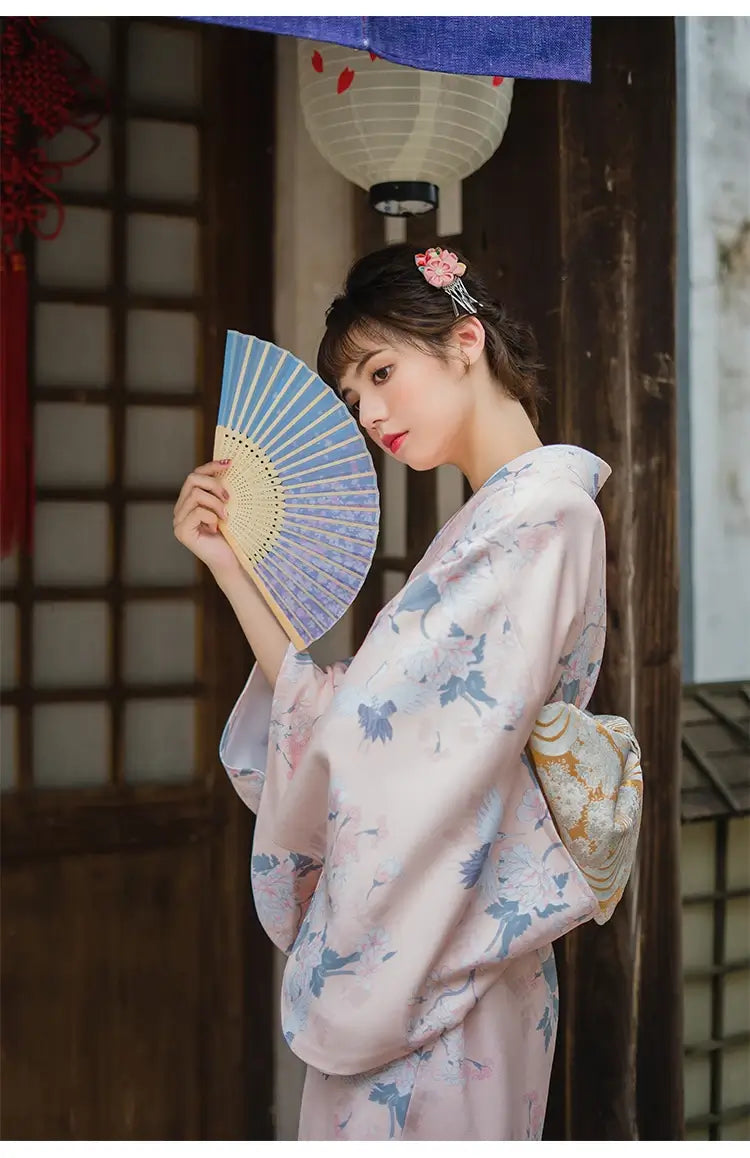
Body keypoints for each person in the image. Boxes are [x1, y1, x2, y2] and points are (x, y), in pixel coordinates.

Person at [173, 244, 641, 1141]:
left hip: (447, 951)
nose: (371, 413)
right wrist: (235, 569)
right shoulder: (503, 515)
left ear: (466, 340)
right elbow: (382, 721)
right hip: (446, 938)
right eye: (354, 397)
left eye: (383, 372)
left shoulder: (543, 514)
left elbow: (389, 739)